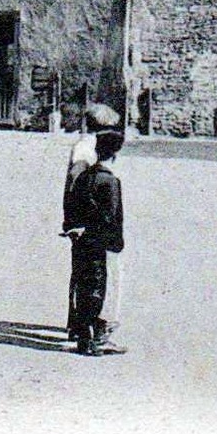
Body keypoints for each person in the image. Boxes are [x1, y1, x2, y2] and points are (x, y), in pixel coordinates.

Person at [63, 130, 126, 356]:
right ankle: (98, 337)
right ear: (115, 156)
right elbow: (111, 217)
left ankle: (84, 336)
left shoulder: (83, 177)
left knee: (84, 286)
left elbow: (73, 207)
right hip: (102, 243)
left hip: (82, 241)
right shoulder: (110, 181)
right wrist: (115, 244)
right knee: (102, 289)